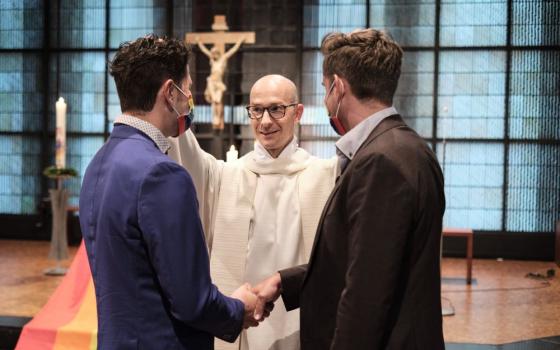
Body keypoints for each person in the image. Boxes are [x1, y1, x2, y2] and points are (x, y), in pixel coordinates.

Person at [254, 29, 446, 349]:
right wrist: (285, 282)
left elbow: (367, 291)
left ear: (338, 87)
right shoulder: (406, 146)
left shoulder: (381, 161)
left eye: (325, 88)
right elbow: (363, 257)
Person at [79, 34, 263, 350]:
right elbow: (192, 301)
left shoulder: (98, 162)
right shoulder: (162, 174)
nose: (190, 97)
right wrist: (239, 308)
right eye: (187, 88)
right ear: (169, 92)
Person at [168, 74, 338, 350]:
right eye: (257, 110)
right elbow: (187, 153)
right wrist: (176, 97)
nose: (266, 121)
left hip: (302, 321)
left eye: (276, 109)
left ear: (298, 113)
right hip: (245, 324)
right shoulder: (227, 176)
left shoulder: (325, 174)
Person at [197, 37, 245, 130]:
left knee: (218, 101)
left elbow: (232, 51)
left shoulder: (223, 59)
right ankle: (215, 117)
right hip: (211, 82)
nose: (213, 55)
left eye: (215, 54)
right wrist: (199, 42)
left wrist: (239, 42)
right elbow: (205, 51)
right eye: (212, 54)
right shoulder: (212, 60)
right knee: (214, 101)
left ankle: (218, 117)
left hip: (218, 84)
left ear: (218, 54)